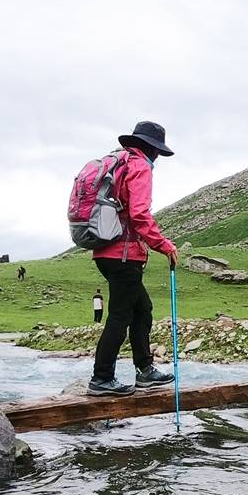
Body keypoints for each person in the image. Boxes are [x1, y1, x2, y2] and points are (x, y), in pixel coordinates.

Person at [88, 120, 179, 396]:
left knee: (142, 309)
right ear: (151, 149)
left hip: (105, 251)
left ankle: (145, 370)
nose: (157, 159)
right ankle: (102, 378)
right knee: (120, 315)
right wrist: (163, 245)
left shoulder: (118, 162)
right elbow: (139, 214)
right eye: (158, 153)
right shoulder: (139, 167)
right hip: (125, 254)